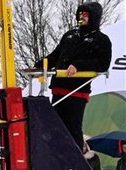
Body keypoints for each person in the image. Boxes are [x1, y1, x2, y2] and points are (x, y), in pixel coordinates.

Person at [35, 2, 112, 151]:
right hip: (58, 89)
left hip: (76, 91)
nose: (81, 16)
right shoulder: (70, 35)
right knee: (54, 128)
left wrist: (79, 65)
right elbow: (56, 55)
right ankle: (56, 161)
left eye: (85, 14)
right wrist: (40, 65)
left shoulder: (101, 39)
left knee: (72, 130)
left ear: (94, 17)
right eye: (80, 13)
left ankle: (77, 163)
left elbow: (103, 64)